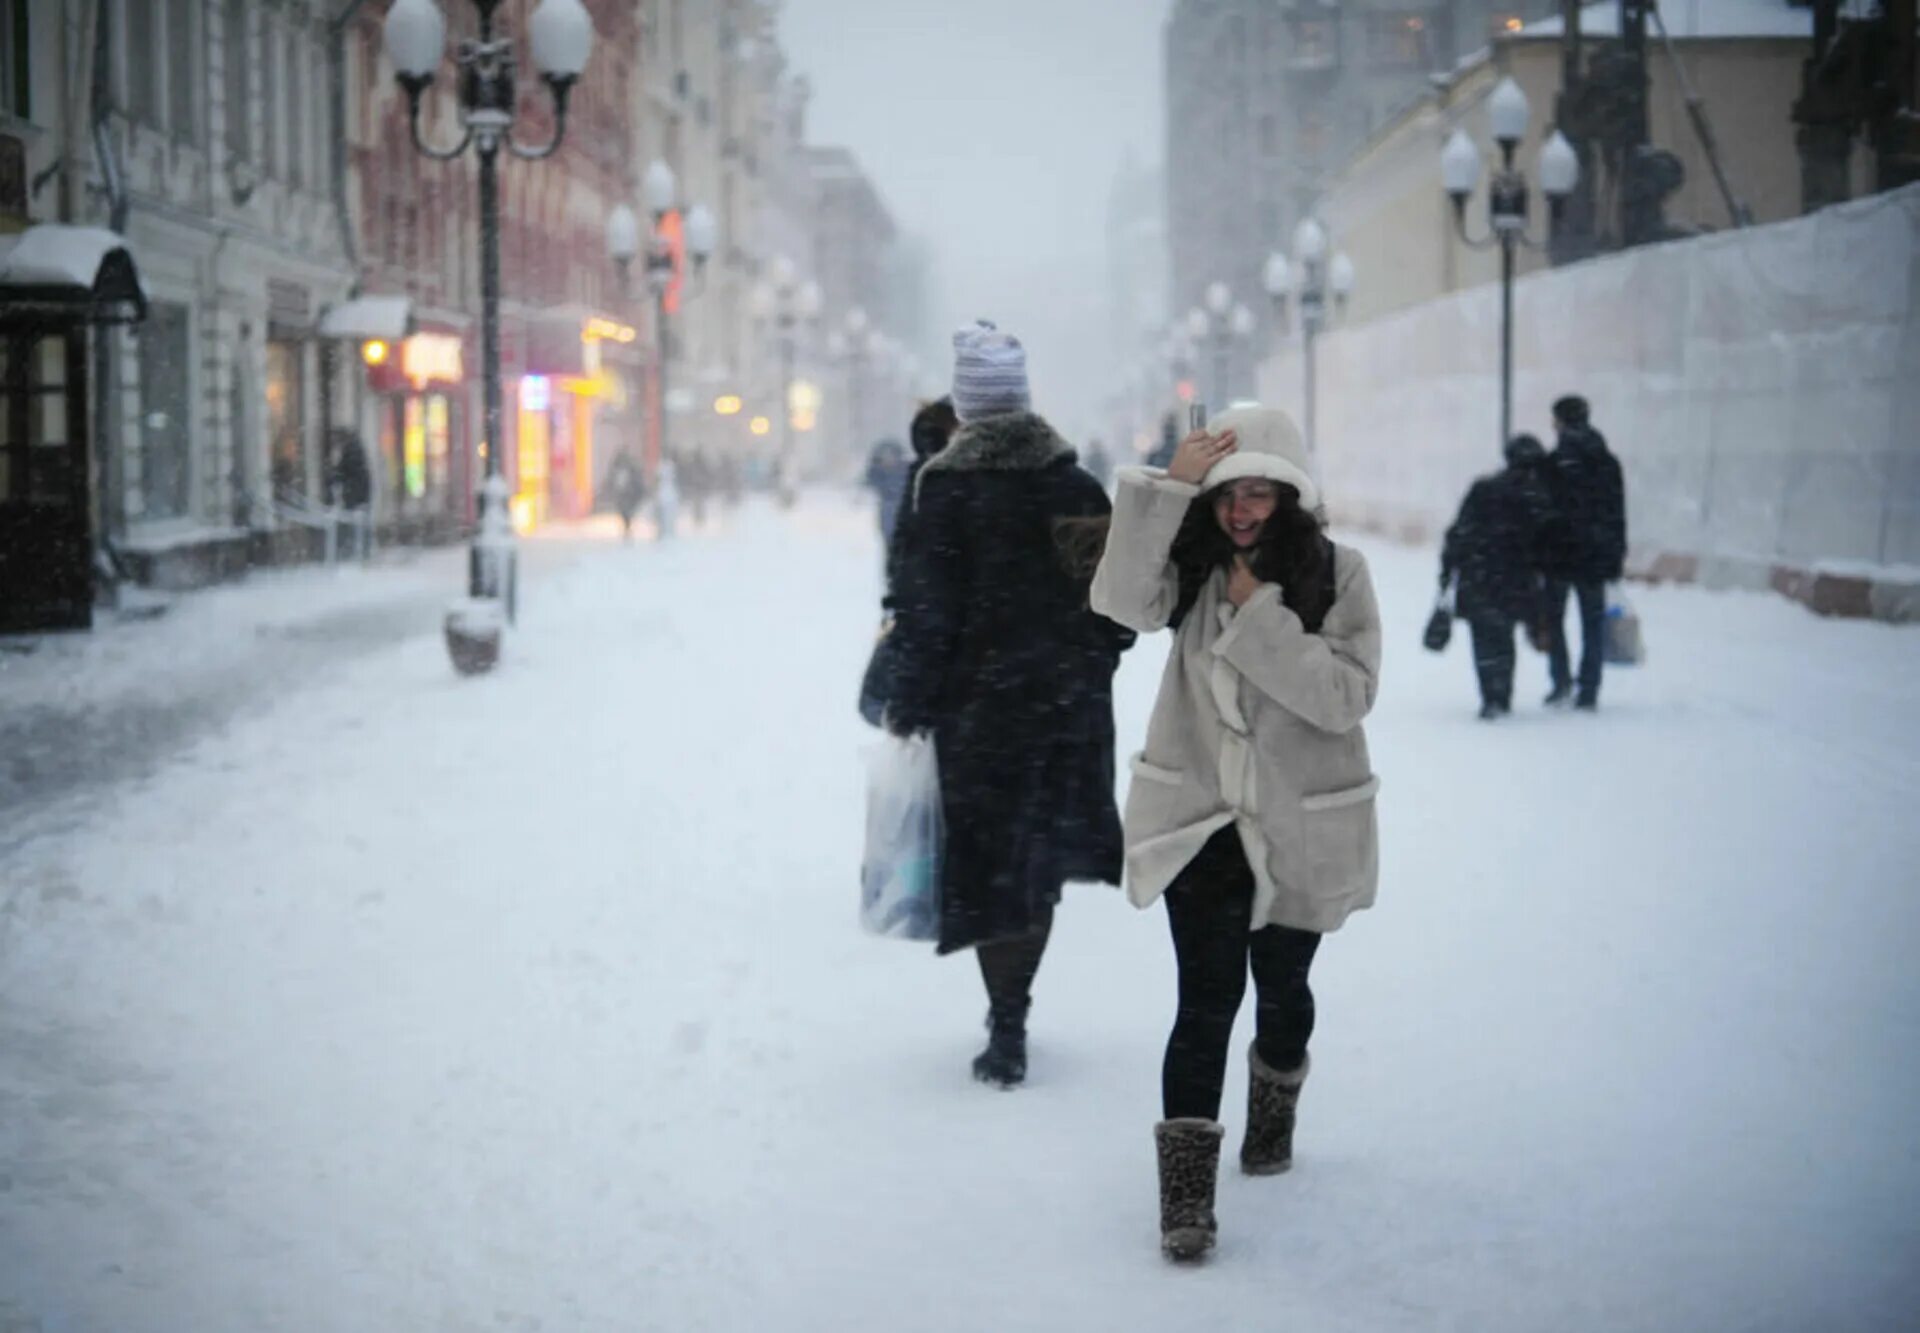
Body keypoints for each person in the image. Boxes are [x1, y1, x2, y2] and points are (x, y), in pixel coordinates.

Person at [1090, 405, 1382, 1263]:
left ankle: (1276, 1095)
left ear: (1290, 494)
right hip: (1202, 821)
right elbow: (1117, 601)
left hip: (1301, 821)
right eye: (1227, 493)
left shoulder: (1338, 573)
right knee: (1206, 999)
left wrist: (1262, 621)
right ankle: (1186, 1203)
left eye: (1260, 491)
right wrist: (1172, 489)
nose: (1242, 508)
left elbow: (1345, 697)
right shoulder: (1191, 568)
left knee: (1281, 991)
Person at [885, 321, 1133, 1089]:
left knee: (996, 868)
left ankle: (1007, 1022)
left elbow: (925, 614)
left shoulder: (945, 491)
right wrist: (1078, 660)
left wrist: (912, 698)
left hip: (978, 718)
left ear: (966, 404)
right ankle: (1017, 1007)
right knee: (1038, 865)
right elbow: (1116, 612)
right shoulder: (1075, 484)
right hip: (1063, 713)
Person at [1440, 434, 1553, 719]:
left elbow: (1458, 533)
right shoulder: (1535, 496)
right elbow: (1543, 544)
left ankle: (1490, 695)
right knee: (1505, 636)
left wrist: (1447, 571)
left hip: (1478, 575)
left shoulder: (1484, 489)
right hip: (1514, 579)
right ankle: (1502, 694)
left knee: (1483, 638)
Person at [1539, 395, 1627, 710]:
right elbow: (1617, 514)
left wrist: (1540, 553)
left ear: (1561, 421)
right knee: (1592, 623)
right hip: (1595, 558)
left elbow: (1543, 515)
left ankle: (1561, 681)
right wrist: (1615, 555)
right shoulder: (1607, 462)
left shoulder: (1553, 463)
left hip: (1559, 558)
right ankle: (1589, 688)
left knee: (1555, 620)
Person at [326, 428, 373, 561]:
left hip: (355, 496)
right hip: (359, 496)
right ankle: (361, 551)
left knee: (354, 524)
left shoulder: (351, 452)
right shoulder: (356, 451)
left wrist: (333, 476)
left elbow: (344, 472)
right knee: (360, 524)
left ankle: (354, 551)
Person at [863, 437, 912, 547]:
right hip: (887, 511)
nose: (889, 459)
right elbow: (870, 480)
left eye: (891, 456)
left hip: (904, 511)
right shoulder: (878, 473)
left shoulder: (904, 471)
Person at [603, 450, 647, 543]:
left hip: (628, 495)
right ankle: (626, 528)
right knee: (624, 513)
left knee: (627, 513)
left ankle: (627, 528)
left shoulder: (630, 469)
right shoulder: (618, 469)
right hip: (623, 496)